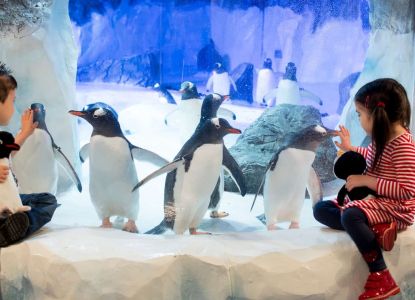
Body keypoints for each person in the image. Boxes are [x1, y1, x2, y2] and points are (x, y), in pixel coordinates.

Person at [313, 78, 415, 299]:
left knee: (350, 216)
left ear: (376, 115)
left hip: (396, 208)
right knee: (320, 209)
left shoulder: (404, 145)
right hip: (378, 203)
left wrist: (367, 181)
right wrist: (351, 148)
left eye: (360, 114)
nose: (358, 119)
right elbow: (372, 157)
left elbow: (408, 190)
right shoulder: (383, 138)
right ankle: (377, 230)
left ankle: (380, 273)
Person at [0, 62, 58, 247]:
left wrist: (24, 132)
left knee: (46, 200)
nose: (14, 106)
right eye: (12, 100)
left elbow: (8, 151)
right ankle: (14, 227)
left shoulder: (3, 137)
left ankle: (11, 221)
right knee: (43, 207)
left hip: (7, 201)